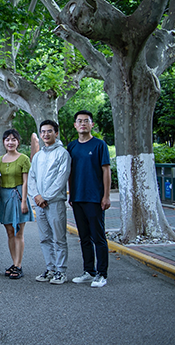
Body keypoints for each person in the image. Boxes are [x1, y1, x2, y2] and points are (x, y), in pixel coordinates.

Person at [68, 110, 111, 288]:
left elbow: (106, 171)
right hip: (77, 198)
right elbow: (69, 173)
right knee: (84, 237)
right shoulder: (72, 147)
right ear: (75, 125)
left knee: (98, 237)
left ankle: (102, 274)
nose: (83, 124)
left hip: (95, 198)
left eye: (86, 121)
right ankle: (89, 271)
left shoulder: (100, 145)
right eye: (80, 121)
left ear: (92, 124)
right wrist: (71, 194)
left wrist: (106, 196)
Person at [28, 120, 71, 285]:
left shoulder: (62, 154)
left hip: (55, 202)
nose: (46, 134)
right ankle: (50, 268)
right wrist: (36, 196)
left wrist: (45, 197)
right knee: (45, 238)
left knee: (59, 238)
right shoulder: (38, 156)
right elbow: (32, 177)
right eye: (43, 132)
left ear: (56, 133)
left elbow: (61, 178)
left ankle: (61, 271)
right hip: (40, 203)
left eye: (49, 131)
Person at [0, 129, 34, 279]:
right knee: (9, 232)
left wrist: (24, 201)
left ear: (18, 141)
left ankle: (18, 265)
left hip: (17, 197)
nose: (10, 142)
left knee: (18, 232)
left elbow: (25, 182)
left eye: (13, 139)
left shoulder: (23, 159)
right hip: (4, 198)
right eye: (7, 140)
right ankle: (14, 262)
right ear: (3, 142)